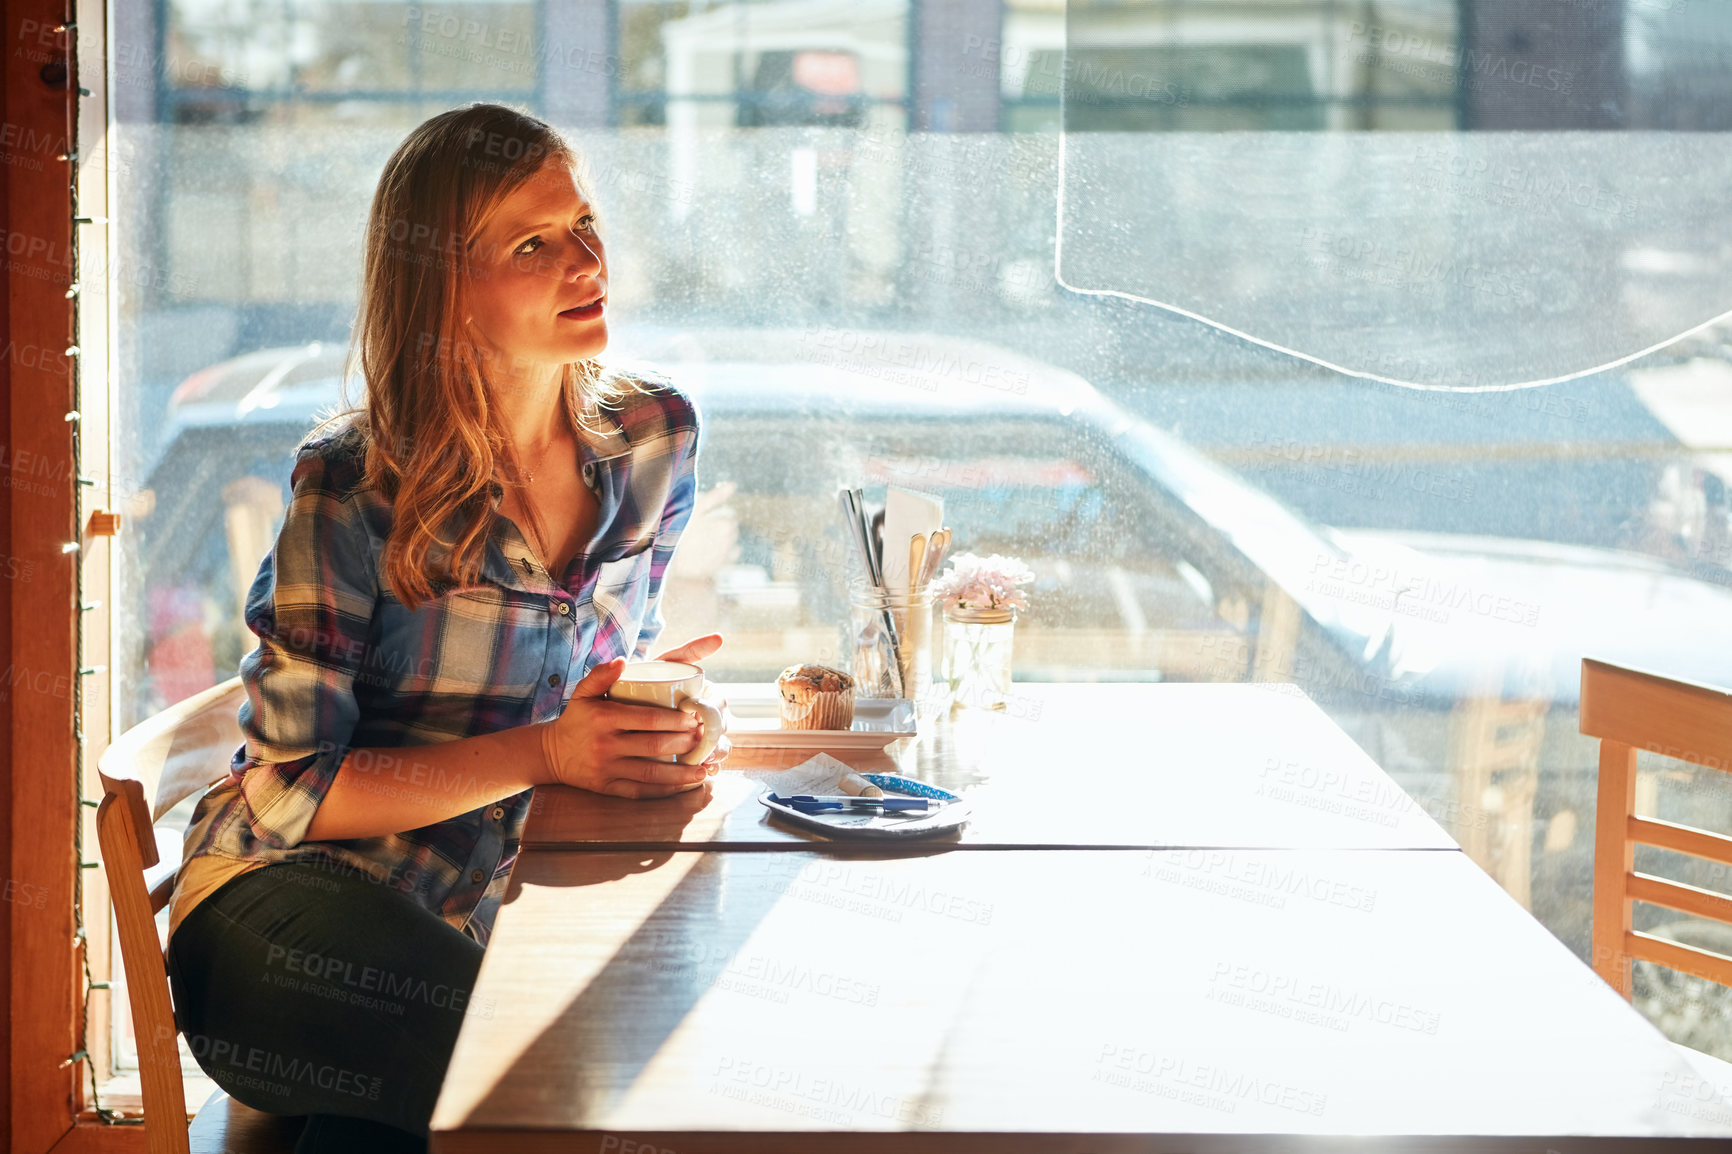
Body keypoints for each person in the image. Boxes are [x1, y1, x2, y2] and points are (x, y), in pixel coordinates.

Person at [162, 102, 730, 1153]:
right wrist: (545, 750)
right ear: (443, 291)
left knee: (431, 1111)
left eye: (584, 220)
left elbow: (590, 681)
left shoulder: (654, 439)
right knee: (531, 1082)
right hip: (279, 906)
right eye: (532, 242)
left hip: (479, 903)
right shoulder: (351, 483)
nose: (585, 258)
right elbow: (289, 789)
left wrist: (662, 714)